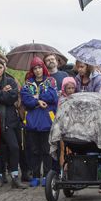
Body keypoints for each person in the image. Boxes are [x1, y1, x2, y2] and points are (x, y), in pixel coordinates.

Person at [20, 56, 58, 187]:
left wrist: (38, 96)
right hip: (32, 122)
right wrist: (37, 101)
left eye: (39, 67)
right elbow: (26, 99)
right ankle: (35, 175)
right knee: (34, 150)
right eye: (35, 68)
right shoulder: (27, 83)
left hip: (47, 121)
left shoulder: (50, 81)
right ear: (32, 70)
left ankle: (47, 175)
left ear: (43, 68)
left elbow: (53, 97)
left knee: (47, 150)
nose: (37, 70)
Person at [0, 56, 25, 189]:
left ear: (4, 68)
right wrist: (2, 93)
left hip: (10, 120)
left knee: (14, 147)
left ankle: (15, 177)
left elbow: (12, 98)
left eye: (0, 67)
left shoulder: (11, 81)